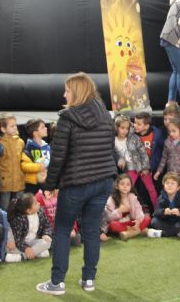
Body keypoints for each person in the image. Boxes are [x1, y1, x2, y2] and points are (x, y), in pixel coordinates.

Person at [36, 72, 116, 296]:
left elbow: (58, 156)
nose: (64, 94)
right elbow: (110, 148)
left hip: (77, 183)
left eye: (67, 90)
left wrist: (49, 185)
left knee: (61, 230)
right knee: (91, 230)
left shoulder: (67, 118)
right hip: (104, 181)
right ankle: (89, 279)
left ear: (77, 92)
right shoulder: (106, 115)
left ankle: (57, 282)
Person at [113, 115, 158, 210]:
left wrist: (146, 167)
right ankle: (126, 210)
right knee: (126, 190)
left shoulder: (133, 138)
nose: (125, 130)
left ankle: (157, 209)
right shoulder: (113, 140)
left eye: (127, 128)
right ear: (116, 127)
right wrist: (119, 160)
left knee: (151, 188)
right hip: (129, 170)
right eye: (122, 128)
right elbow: (114, 154)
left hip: (141, 167)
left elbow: (143, 153)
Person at [5, 193, 52, 263]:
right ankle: (37, 253)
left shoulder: (41, 212)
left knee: (47, 242)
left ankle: (22, 256)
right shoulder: (19, 219)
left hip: (34, 242)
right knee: (10, 249)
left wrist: (46, 234)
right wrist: (26, 248)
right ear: (28, 210)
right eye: (36, 203)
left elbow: (47, 225)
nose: (39, 203)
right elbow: (17, 238)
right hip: (20, 244)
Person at [101, 174, 150, 241]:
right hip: (119, 223)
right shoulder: (112, 199)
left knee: (147, 218)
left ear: (131, 187)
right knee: (112, 225)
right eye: (122, 184)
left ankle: (130, 232)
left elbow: (139, 210)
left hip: (131, 223)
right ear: (117, 186)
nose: (125, 186)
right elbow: (108, 217)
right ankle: (139, 231)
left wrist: (138, 221)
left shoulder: (132, 197)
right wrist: (119, 210)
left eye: (128, 184)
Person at [154, 117, 180, 189]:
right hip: (170, 174)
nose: (171, 133)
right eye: (169, 131)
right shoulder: (167, 142)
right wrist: (159, 171)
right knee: (170, 192)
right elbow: (164, 158)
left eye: (174, 131)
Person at [147, 172, 180, 238]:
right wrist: (163, 212)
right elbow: (156, 212)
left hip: (179, 222)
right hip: (167, 222)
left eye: (173, 183)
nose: (169, 185)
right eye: (167, 183)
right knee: (154, 221)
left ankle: (162, 233)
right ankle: (177, 232)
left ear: (178, 187)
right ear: (164, 186)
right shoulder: (161, 197)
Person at [0, 113, 26, 209]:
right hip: (5, 182)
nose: (15, 128)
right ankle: (5, 224)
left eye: (15, 125)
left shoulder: (20, 142)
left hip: (19, 180)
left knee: (19, 207)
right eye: (12, 126)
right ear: (3, 129)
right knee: (4, 207)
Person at [23, 118, 51, 193]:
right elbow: (25, 166)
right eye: (42, 127)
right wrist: (39, 167)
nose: (46, 128)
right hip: (33, 185)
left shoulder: (47, 146)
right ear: (35, 133)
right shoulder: (28, 148)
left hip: (46, 183)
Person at [133, 112, 165, 177]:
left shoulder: (156, 135)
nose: (135, 125)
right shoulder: (132, 135)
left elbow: (163, 148)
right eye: (135, 123)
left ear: (146, 126)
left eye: (139, 124)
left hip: (152, 168)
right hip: (137, 169)